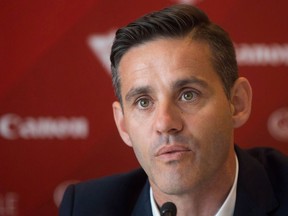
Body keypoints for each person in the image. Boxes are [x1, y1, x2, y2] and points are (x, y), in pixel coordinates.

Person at [59, 4, 288, 216]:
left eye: (188, 95)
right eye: (143, 102)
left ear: (237, 103)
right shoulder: (86, 208)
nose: (165, 123)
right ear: (122, 124)